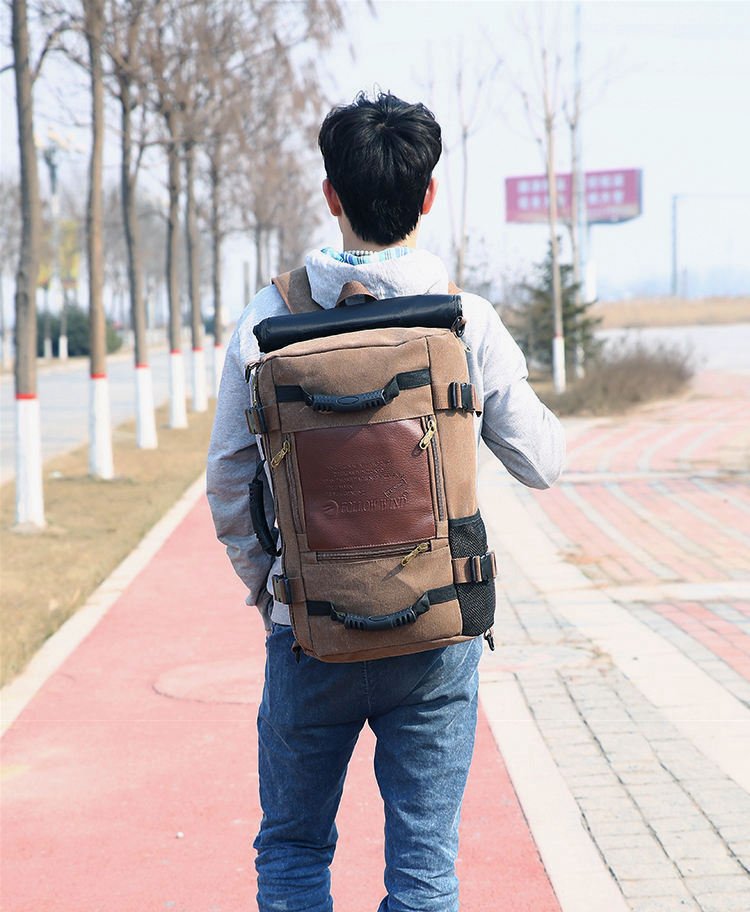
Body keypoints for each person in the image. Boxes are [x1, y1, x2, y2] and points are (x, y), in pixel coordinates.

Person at [207, 91, 565, 912]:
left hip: (308, 635)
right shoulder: (464, 320)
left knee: (293, 850)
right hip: (436, 631)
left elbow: (228, 483)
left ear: (331, 193)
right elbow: (543, 462)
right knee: (424, 872)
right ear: (427, 196)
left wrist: (277, 590)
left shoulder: (266, 320)